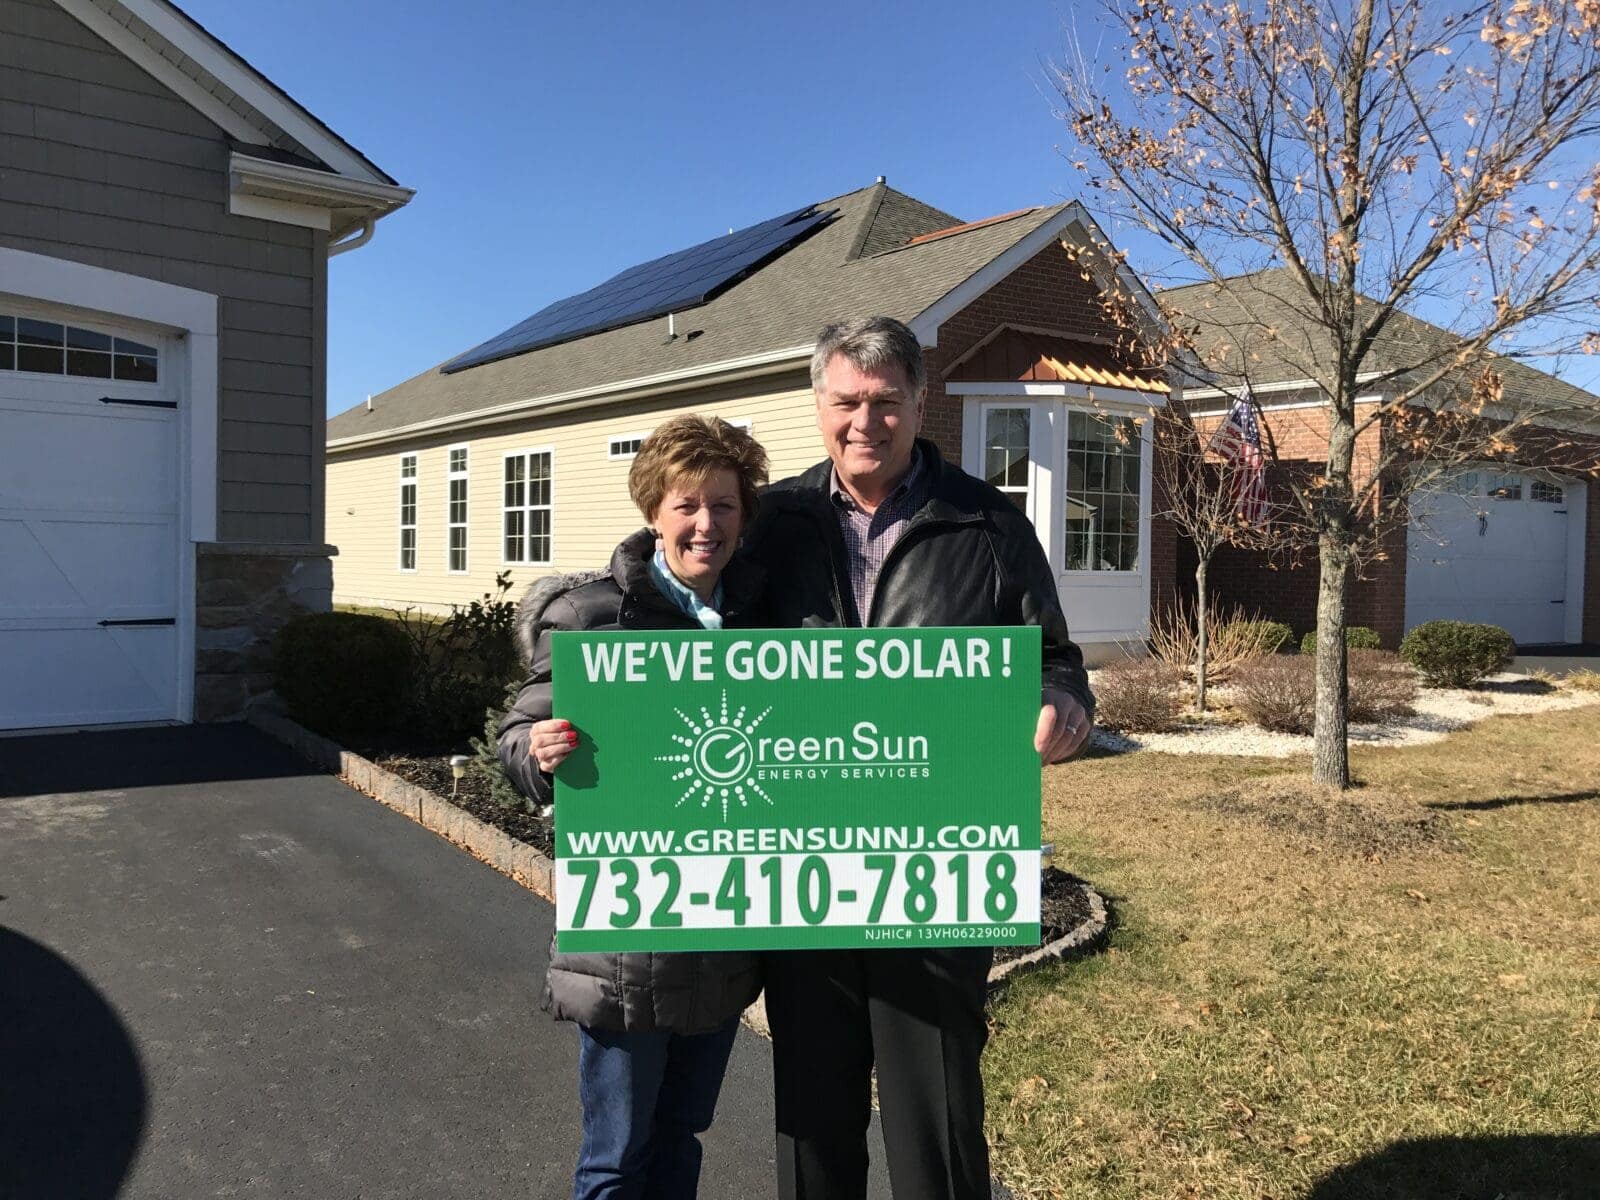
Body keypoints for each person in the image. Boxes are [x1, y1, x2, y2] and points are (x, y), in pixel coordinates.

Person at [743, 315, 1096, 1200]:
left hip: (940, 866)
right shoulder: (771, 524)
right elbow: (691, 630)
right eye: (846, 402)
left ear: (919, 402)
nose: (866, 421)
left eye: (886, 401)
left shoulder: (988, 524)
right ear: (817, 404)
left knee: (936, 1113)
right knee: (813, 1117)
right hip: (802, 865)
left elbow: (1054, 659)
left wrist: (1062, 707)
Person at [496, 414, 770, 1200]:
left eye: (723, 504)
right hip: (628, 942)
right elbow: (517, 738)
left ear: (744, 516)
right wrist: (537, 752)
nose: (705, 524)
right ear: (655, 511)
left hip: (723, 932)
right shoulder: (590, 615)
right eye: (686, 504)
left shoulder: (767, 625)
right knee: (616, 1160)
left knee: (681, 1140)